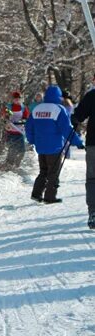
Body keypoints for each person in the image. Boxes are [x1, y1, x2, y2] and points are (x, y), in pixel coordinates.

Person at [25, 85, 83, 204]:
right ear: (58, 96)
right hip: (55, 147)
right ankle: (50, 197)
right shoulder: (59, 109)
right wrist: (77, 142)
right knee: (53, 173)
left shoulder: (37, 109)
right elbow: (66, 129)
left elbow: (28, 127)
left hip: (40, 147)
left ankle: (36, 194)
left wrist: (32, 140)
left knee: (43, 171)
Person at [71, 81, 95, 229]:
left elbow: (78, 116)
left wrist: (74, 120)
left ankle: (93, 212)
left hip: (93, 143)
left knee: (92, 179)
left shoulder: (91, 96)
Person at [1, 91, 30, 167]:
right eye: (15, 98)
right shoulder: (9, 107)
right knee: (12, 149)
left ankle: (17, 165)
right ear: (12, 99)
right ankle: (9, 164)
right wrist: (6, 118)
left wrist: (23, 120)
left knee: (22, 151)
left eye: (18, 98)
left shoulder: (23, 108)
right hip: (10, 131)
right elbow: (5, 115)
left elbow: (26, 117)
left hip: (20, 132)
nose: (17, 100)